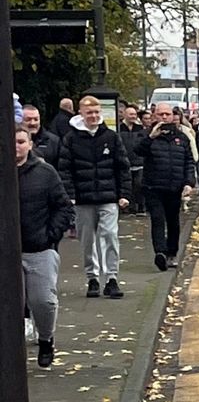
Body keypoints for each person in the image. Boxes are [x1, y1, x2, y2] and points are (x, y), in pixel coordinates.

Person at [17, 120, 74, 367]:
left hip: (39, 249)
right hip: (8, 253)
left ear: (30, 144)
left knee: (43, 301)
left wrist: (51, 235)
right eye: (12, 142)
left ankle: (46, 340)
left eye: (21, 142)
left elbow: (63, 208)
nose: (16, 147)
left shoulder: (44, 172)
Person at [60, 93, 129, 298]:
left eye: (97, 112)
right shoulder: (71, 139)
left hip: (108, 197)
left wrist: (124, 193)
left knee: (110, 235)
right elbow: (65, 169)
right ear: (81, 112)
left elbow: (122, 166)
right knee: (87, 240)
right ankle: (92, 278)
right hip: (83, 199)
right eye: (89, 112)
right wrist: (70, 195)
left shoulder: (110, 136)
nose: (93, 116)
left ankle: (112, 278)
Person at [142, 102, 194, 269]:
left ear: (172, 116)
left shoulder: (182, 138)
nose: (164, 117)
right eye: (160, 114)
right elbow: (137, 151)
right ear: (154, 116)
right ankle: (160, 252)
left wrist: (189, 182)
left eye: (167, 114)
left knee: (173, 221)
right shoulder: (147, 135)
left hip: (174, 186)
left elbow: (189, 161)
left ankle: (172, 253)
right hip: (153, 186)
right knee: (157, 219)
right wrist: (151, 137)